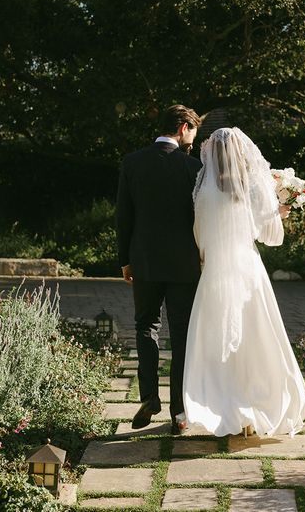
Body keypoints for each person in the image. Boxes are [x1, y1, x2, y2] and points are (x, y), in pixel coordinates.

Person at [183, 127, 305, 437]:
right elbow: (268, 236)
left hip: (215, 269)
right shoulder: (249, 186)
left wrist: (206, 256)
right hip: (247, 267)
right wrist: (276, 214)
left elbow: (199, 232)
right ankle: (256, 407)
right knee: (256, 331)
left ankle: (218, 403)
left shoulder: (202, 189)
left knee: (215, 336)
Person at [116, 104, 202, 434]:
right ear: (182, 128)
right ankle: (179, 412)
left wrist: (126, 260)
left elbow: (124, 217)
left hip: (145, 261)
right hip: (184, 265)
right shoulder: (193, 168)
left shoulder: (133, 162)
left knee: (145, 326)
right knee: (181, 334)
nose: (194, 138)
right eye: (193, 131)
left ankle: (150, 397)